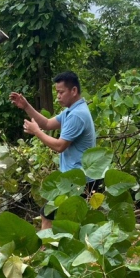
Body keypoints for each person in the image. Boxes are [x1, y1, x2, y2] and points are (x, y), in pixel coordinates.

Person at [10, 71, 97, 230]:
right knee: (62, 219)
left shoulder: (77, 115)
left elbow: (59, 146)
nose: (58, 96)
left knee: (48, 214)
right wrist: (26, 106)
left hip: (79, 180)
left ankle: (45, 252)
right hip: (76, 178)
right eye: (56, 92)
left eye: (61, 92)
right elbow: (48, 124)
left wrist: (36, 132)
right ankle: (52, 250)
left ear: (74, 91)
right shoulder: (71, 110)